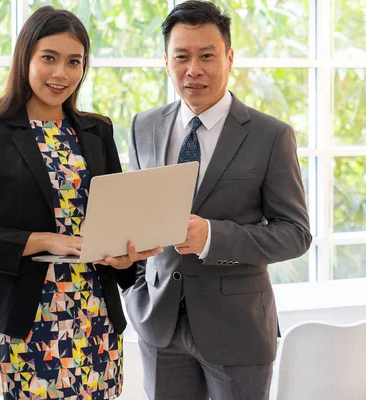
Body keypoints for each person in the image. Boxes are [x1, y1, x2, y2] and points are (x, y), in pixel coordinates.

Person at [0, 6, 161, 399]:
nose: (60, 74)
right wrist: (44, 240)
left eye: (74, 62)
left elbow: (117, 219)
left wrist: (124, 257)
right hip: (33, 321)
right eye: (49, 58)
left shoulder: (97, 131)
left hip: (96, 314)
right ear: (25, 58)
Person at [123, 1, 312, 399]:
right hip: (159, 325)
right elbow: (138, 217)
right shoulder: (144, 126)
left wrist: (211, 236)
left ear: (228, 58)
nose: (194, 69)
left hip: (238, 330)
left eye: (207, 55)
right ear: (166, 61)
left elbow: (295, 234)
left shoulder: (270, 135)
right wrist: (136, 284)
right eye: (182, 57)